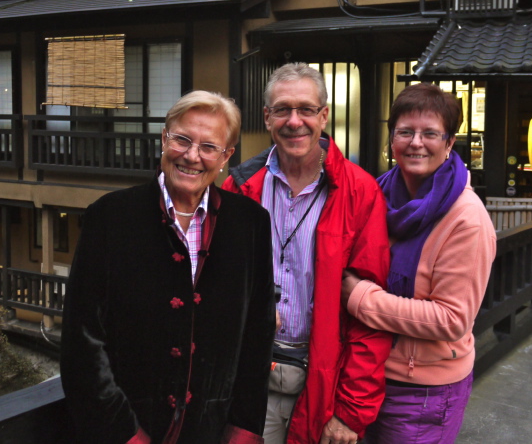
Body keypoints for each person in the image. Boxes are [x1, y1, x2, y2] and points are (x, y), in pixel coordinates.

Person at [61, 91, 275, 444]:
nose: (192, 156)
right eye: (182, 140)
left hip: (211, 432)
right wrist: (124, 432)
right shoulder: (110, 217)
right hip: (128, 428)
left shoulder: (250, 224)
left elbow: (258, 335)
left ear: (226, 156)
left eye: (208, 147)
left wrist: (244, 428)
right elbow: (82, 341)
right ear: (164, 138)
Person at [222, 63, 392, 444]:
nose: (294, 121)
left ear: (324, 116)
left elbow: (371, 316)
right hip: (251, 378)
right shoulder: (240, 187)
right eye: (282, 109)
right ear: (267, 118)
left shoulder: (359, 192)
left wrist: (351, 412)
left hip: (324, 380)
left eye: (306, 109)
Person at [341, 83, 497, 444]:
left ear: (449, 142)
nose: (416, 143)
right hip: (364, 375)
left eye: (430, 133)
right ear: (391, 137)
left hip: (423, 391)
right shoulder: (375, 195)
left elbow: (452, 319)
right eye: (405, 132)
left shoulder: (466, 219)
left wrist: (359, 297)